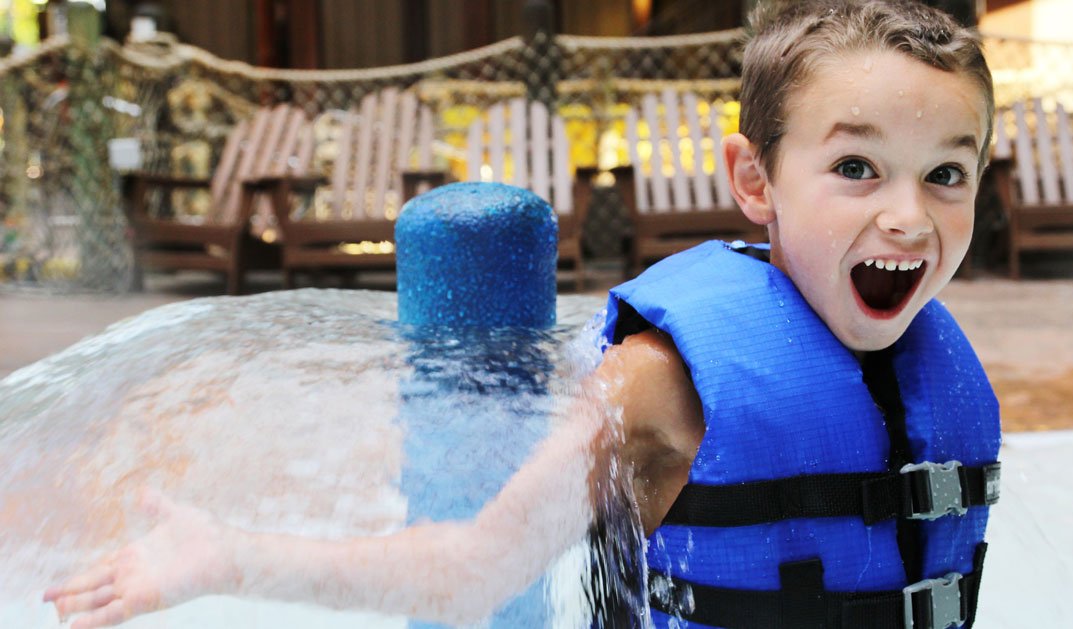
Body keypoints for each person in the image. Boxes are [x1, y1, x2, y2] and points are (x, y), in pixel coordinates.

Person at [44, 1, 1002, 627]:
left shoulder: (928, 361)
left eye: (946, 173)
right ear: (755, 179)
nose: (908, 216)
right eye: (855, 167)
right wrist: (224, 555)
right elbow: (470, 570)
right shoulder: (660, 379)